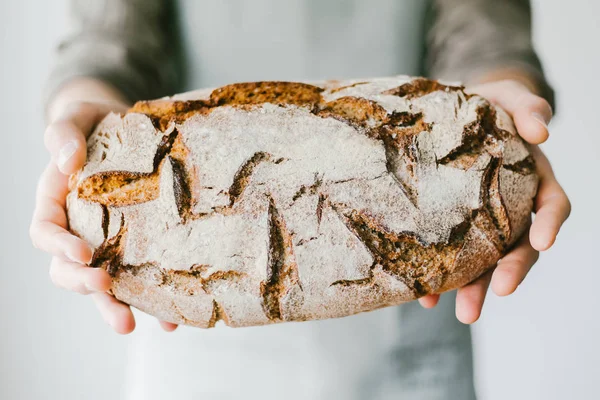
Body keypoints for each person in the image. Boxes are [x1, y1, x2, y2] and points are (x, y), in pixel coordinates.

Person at [32, 1, 571, 399]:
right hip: (198, 310)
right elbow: (107, 45)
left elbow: (483, 34)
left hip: (410, 334)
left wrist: (506, 90)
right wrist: (81, 111)